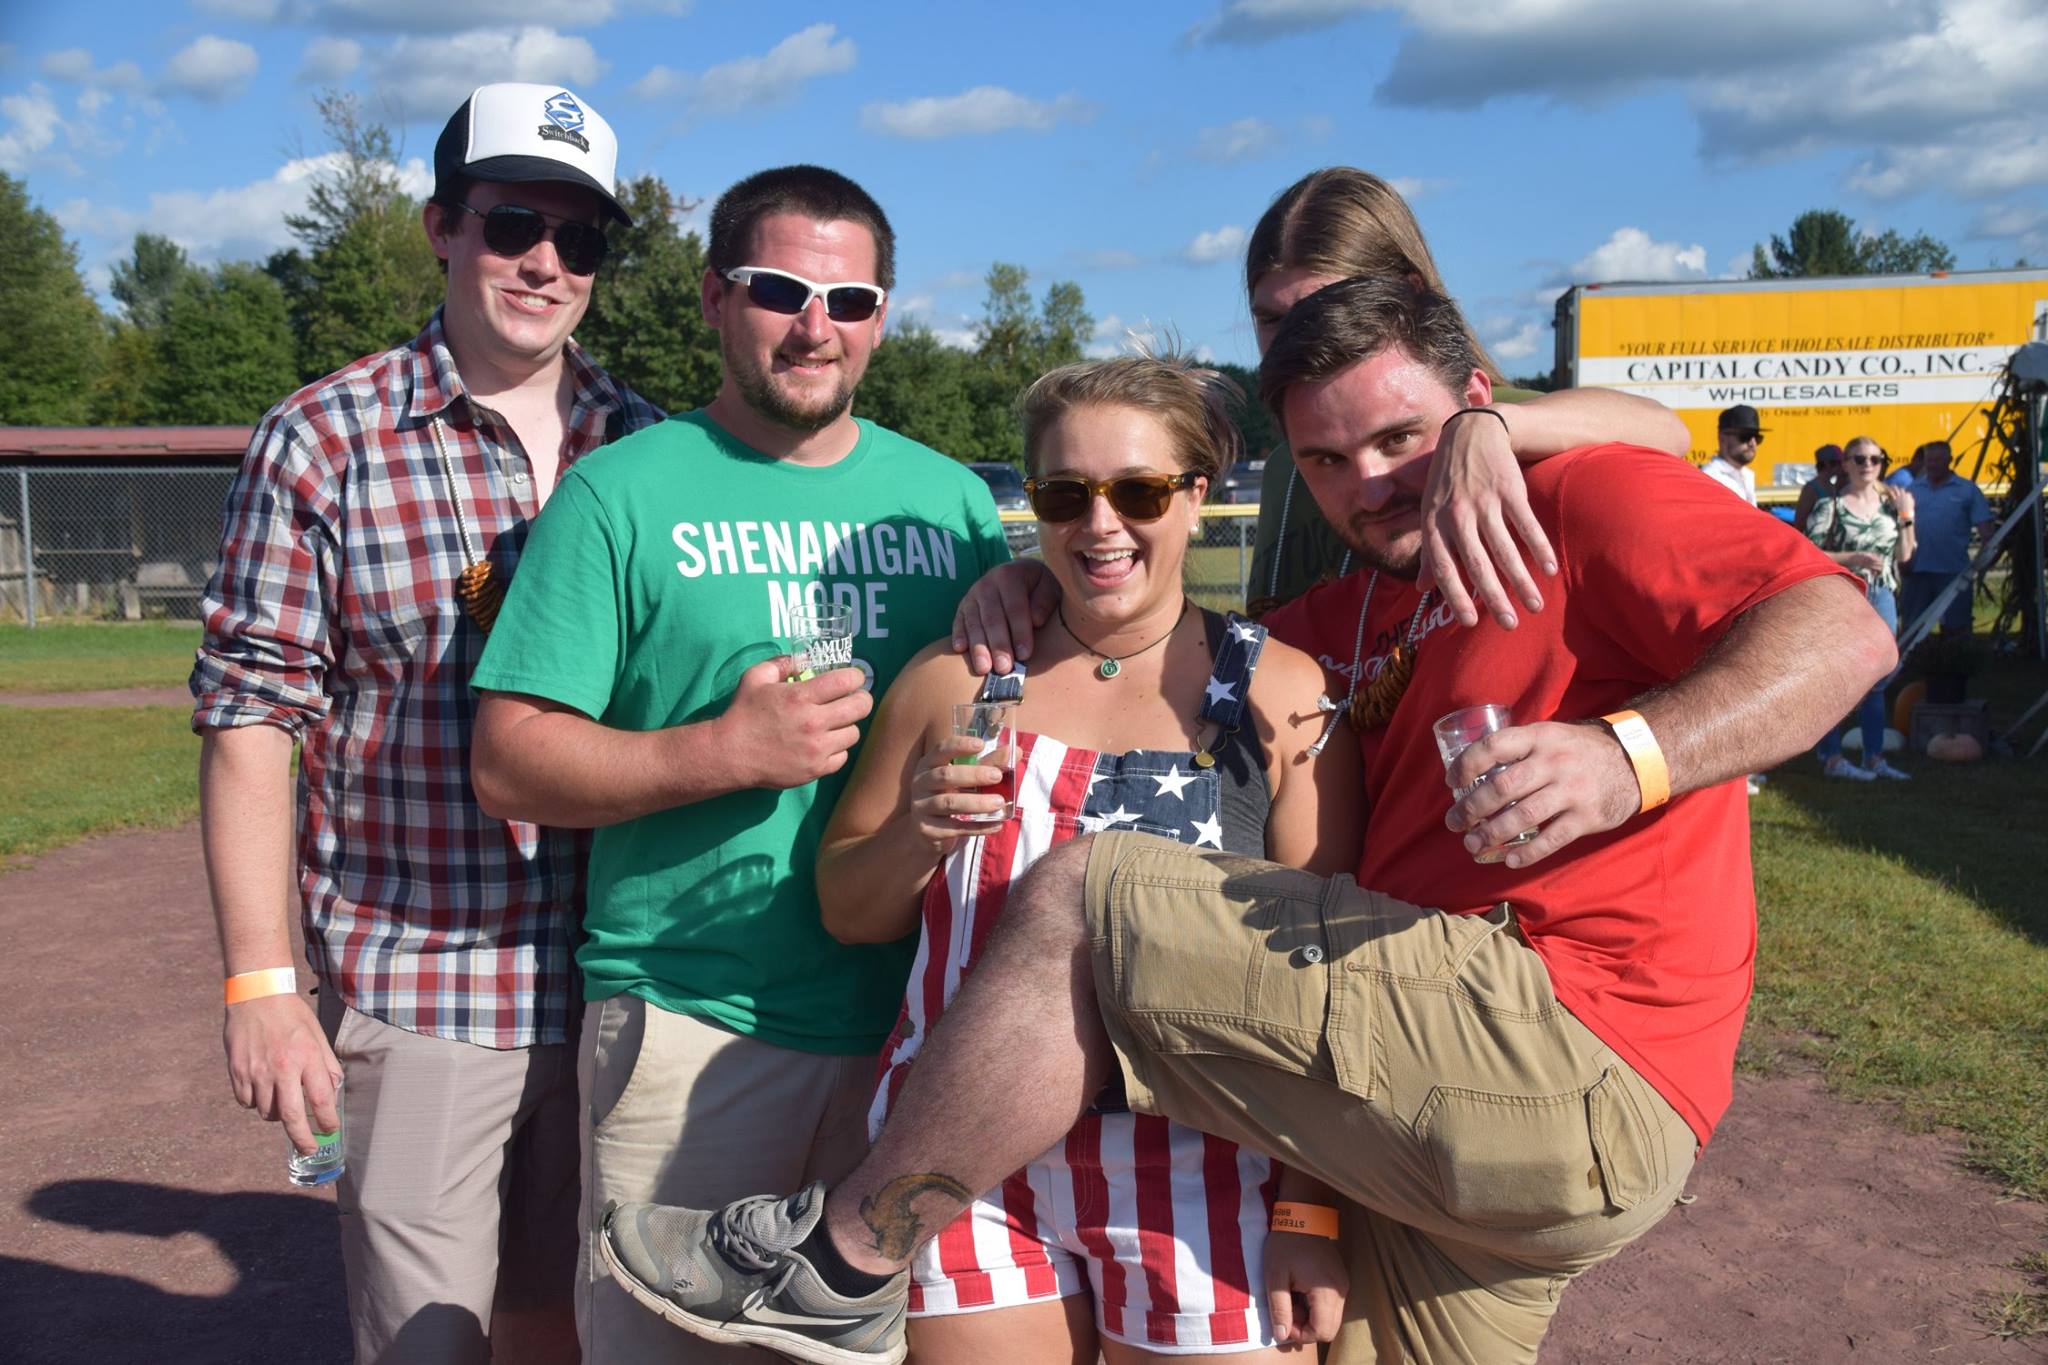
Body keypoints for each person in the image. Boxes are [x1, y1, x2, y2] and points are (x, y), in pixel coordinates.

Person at [596, 277, 1897, 1365]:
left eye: (1404, 440)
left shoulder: (1572, 508)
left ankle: (844, 1250)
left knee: (1091, 892)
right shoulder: (1335, 632)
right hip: (1414, 1123)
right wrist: (1020, 587)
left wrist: (1630, 756)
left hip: (1553, 1056)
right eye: (1328, 459)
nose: (1370, 480)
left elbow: (1845, 631)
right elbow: (1112, 648)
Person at [466, 165, 1012, 1362]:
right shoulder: (619, 493)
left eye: (851, 300)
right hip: (689, 1012)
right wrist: (721, 752)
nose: (815, 326)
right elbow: (508, 763)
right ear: (715, 298)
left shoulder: (952, 503)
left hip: (911, 1034)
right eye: (778, 290)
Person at [190, 82, 661, 1362]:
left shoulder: (646, 446)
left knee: (569, 1329)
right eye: (514, 222)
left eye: (583, 239)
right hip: (422, 980)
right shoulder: (323, 440)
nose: (547, 263)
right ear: (440, 227)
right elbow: (249, 716)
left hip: (621, 982)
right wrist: (261, 984)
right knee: (427, 1345)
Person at [818, 353, 1364, 1362]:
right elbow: (849, 910)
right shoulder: (954, 682)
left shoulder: (1279, 693)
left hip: (1202, 1165)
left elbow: (1332, 987)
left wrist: (1309, 1214)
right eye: (1065, 494)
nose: (1099, 524)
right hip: (959, 1167)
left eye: (1138, 491)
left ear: (1197, 497)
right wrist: (913, 835)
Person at [953, 166, 1691, 674]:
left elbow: (1668, 429)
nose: (1296, 337)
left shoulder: (1486, 422)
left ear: (1408, 294)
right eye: (1271, 317)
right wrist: (1039, 581)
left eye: (1323, 303)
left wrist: (1488, 428)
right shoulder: (1287, 462)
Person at [1808, 438, 1915, 780]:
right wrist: (1852, 558)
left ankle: (1874, 756)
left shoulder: (1890, 504)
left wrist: (1907, 518)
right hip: (1845, 592)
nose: (1868, 464)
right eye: (1859, 458)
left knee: (1878, 676)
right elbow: (1809, 552)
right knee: (1837, 676)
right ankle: (1833, 757)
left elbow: (1904, 555)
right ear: (1847, 465)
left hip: (1882, 592)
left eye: (1875, 458)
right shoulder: (1832, 506)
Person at [1896, 439, 1995, 636]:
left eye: (1938, 460)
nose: (1933, 464)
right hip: (1916, 571)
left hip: (1953, 571)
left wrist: (1983, 558)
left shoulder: (1967, 490)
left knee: (1956, 628)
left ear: (1950, 460)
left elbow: (1986, 530)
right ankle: (1913, 665)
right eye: (1929, 460)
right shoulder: (1912, 491)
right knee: (1912, 628)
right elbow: (1897, 528)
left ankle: (1956, 664)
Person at [1701, 404, 1764, 506]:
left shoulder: (1747, 474)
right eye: (1745, 436)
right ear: (1722, 438)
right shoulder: (1709, 478)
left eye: (1757, 437)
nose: (1753, 443)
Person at [1793, 442, 1845, 533]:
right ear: (1827, 464)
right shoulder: (1811, 488)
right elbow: (1800, 521)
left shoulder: (1834, 486)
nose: (1842, 467)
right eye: (1839, 463)